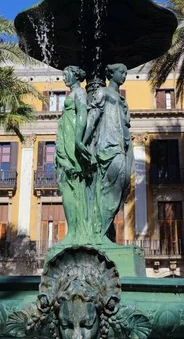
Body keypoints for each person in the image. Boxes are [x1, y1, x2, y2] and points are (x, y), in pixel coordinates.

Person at [84, 63, 134, 243]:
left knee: (122, 187)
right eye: (122, 72)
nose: (124, 76)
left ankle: (104, 230)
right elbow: (92, 118)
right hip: (107, 148)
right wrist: (82, 142)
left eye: (126, 73)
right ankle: (99, 233)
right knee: (107, 190)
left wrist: (128, 148)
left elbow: (126, 128)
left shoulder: (122, 100)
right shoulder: (103, 93)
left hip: (122, 148)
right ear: (111, 73)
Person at [55, 66, 93, 244]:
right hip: (65, 140)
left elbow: (82, 115)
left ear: (76, 75)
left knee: (72, 184)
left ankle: (76, 230)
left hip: (71, 141)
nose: (64, 78)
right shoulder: (74, 93)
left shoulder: (80, 92)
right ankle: (74, 230)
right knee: (66, 185)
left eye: (66, 74)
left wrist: (78, 139)